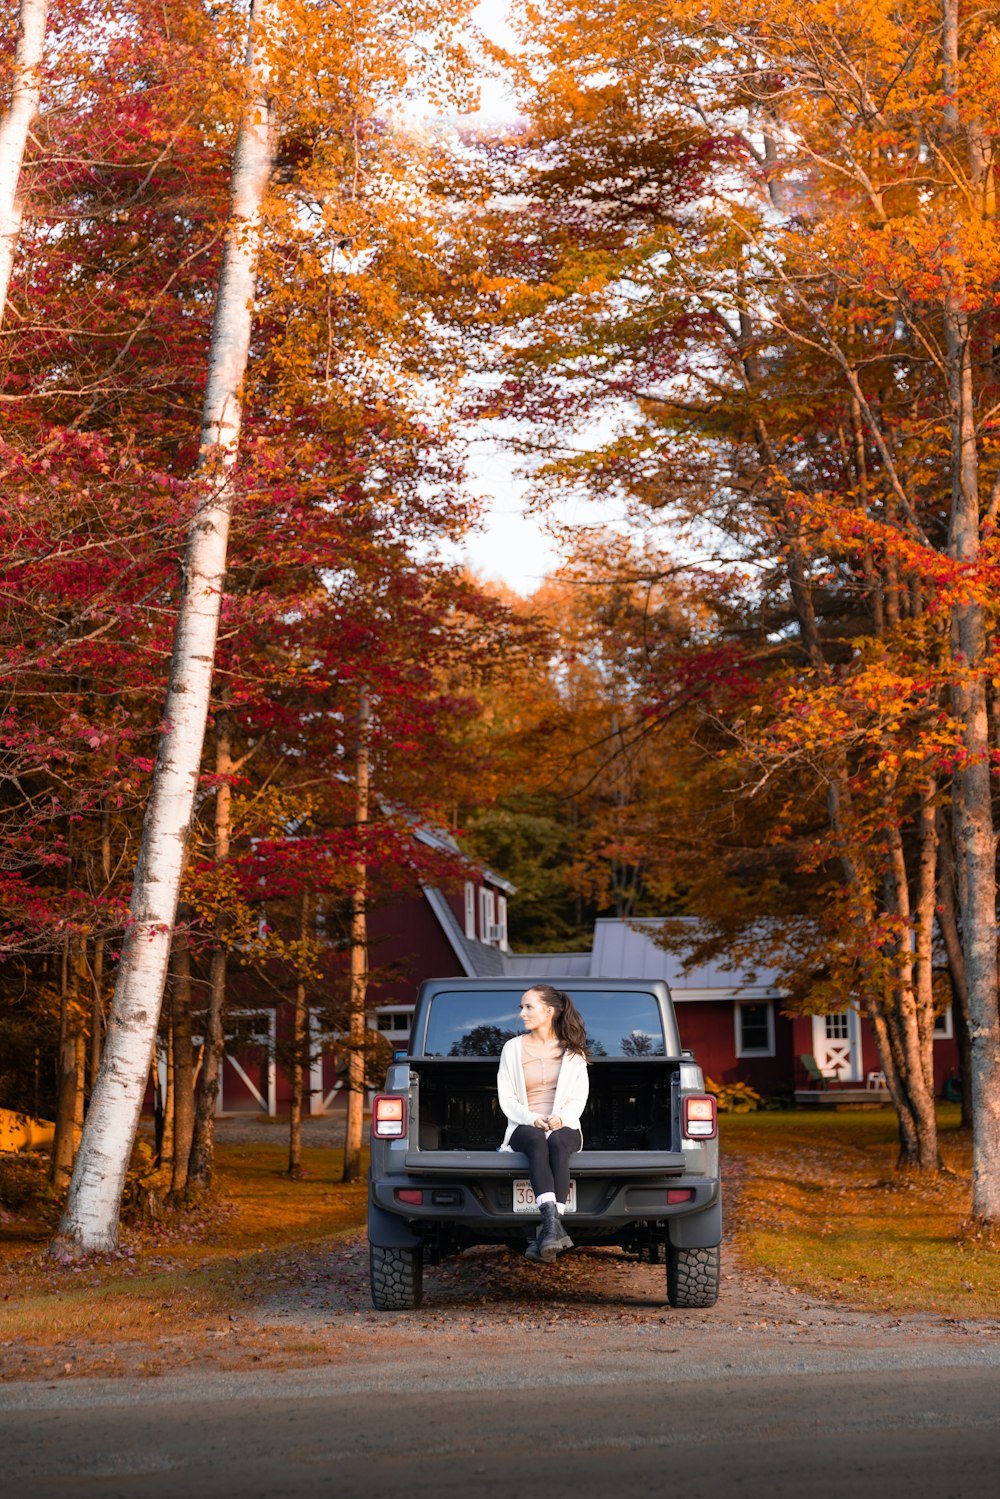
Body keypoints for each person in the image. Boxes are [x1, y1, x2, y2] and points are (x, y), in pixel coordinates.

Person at [497, 984, 590, 1262]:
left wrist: (561, 1118)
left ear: (549, 1011)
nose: (522, 1013)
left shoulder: (574, 1053)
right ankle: (553, 1229)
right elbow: (507, 1098)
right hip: (524, 1126)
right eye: (522, 1007)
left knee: (559, 1140)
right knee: (537, 1140)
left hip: (565, 1124)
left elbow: (578, 1098)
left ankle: (549, 1229)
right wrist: (532, 1118)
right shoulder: (512, 1049)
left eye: (529, 1007)